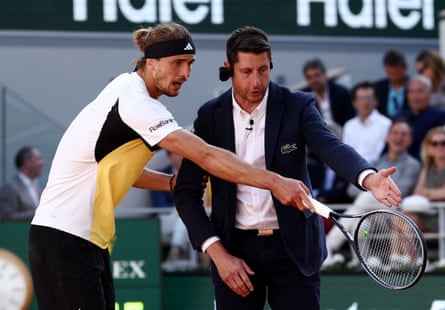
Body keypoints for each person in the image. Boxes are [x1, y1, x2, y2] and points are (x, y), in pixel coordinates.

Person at [27, 23, 333, 310]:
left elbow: (116, 169)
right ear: (152, 62)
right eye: (177, 63)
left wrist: (171, 184)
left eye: (190, 64)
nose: (185, 73)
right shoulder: (137, 105)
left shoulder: (127, 88)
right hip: (64, 239)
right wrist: (274, 182)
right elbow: (206, 156)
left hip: (85, 240)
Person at [174, 25, 401, 310]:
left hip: (294, 249)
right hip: (235, 251)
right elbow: (186, 193)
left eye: (263, 70)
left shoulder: (299, 105)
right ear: (228, 68)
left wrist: (367, 178)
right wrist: (218, 254)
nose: (256, 81)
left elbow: (330, 146)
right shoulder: (210, 116)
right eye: (246, 72)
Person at [323, 119, 421, 268]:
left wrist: (371, 188)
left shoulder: (413, 165)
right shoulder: (376, 162)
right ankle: (364, 263)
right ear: (387, 137)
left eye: (404, 134)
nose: (398, 138)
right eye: (395, 133)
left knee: (366, 197)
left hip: (395, 216)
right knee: (361, 226)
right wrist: (374, 188)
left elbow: (399, 192)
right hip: (372, 214)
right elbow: (351, 190)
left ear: (410, 140)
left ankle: (328, 246)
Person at [399, 126, 445, 233]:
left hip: (441, 215)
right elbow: (417, 193)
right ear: (428, 147)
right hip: (427, 212)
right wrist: (434, 194)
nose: (439, 146)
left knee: (408, 222)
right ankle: (397, 251)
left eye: (443, 143)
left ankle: (405, 251)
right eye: (434, 143)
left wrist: (427, 193)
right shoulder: (427, 167)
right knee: (399, 219)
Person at [394, 75, 445, 159]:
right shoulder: (400, 117)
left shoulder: (440, 116)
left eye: (419, 91)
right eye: (411, 92)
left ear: (430, 93)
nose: (415, 96)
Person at [342, 81, 392, 163]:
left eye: (369, 98)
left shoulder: (386, 124)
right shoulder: (349, 125)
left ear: (376, 101)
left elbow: (380, 155)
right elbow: (346, 153)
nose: (365, 102)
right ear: (354, 103)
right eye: (361, 98)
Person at [302, 57, 355, 127]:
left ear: (325, 74)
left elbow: (350, 120)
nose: (314, 80)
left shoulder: (342, 93)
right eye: (309, 77)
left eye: (317, 75)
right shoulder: (304, 98)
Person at [0, 146, 44, 221]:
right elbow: (7, 217)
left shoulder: (36, 187)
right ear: (27, 162)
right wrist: (39, 213)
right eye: (38, 159)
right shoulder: (10, 188)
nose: (42, 163)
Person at [374, 49, 410, 117]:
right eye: (390, 73)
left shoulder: (413, 86)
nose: (394, 78)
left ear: (405, 68)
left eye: (396, 73)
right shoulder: (378, 87)